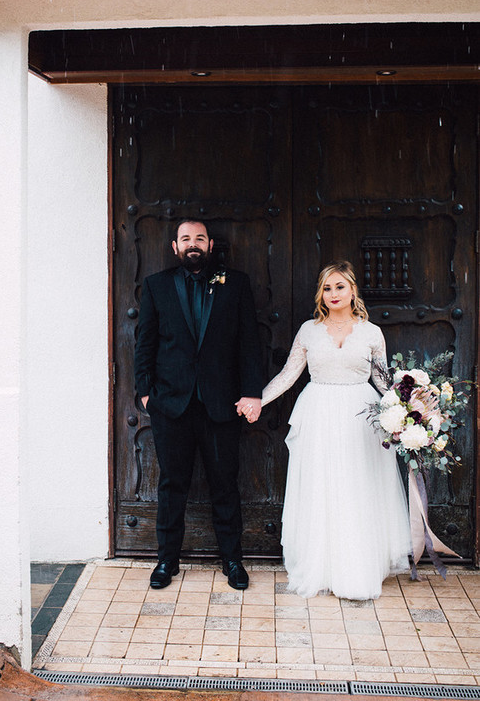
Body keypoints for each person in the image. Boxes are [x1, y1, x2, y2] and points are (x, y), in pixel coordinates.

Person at [253, 260, 411, 600]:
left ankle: (357, 569)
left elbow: (383, 381)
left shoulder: (371, 332)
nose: (333, 293)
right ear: (320, 294)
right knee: (321, 488)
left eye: (340, 286)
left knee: (357, 488)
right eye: (327, 288)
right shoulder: (309, 330)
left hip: (360, 418)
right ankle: (321, 567)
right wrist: (258, 401)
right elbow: (288, 375)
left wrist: (412, 411)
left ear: (353, 290)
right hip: (319, 415)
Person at [134, 219, 263, 590]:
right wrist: (146, 393)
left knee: (225, 484)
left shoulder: (235, 284)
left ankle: (233, 560)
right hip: (170, 405)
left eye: (200, 238)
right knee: (172, 485)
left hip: (221, 404)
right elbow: (145, 343)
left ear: (209, 246)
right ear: (175, 247)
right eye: (186, 238)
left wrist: (252, 391)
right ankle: (166, 561)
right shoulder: (156, 286)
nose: (194, 244)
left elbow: (249, 344)